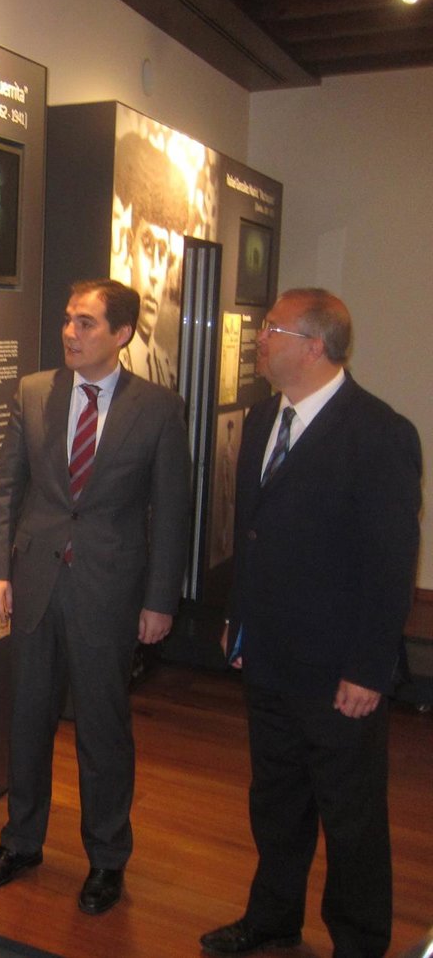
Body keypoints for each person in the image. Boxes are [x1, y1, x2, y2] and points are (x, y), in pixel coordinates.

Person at [200, 289, 422, 958]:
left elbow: (391, 564)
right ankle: (272, 918)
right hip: (268, 655)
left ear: (314, 346)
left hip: (337, 671)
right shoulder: (263, 417)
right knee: (275, 801)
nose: (259, 337)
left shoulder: (379, 432)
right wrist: (238, 618)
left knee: (350, 816)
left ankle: (358, 942)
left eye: (273, 328)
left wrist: (368, 669)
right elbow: (254, 532)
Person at [0, 279, 191, 915]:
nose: (71, 332)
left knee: (102, 728)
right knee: (27, 720)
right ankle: (21, 842)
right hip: (36, 582)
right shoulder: (34, 391)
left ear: (122, 334)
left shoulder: (158, 409)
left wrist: (160, 600)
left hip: (109, 589)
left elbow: (171, 511)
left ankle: (107, 859)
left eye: (87, 323)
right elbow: (6, 488)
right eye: (69, 319)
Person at [113, 133, 188, 390]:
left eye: (163, 253)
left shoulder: (165, 369)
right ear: (130, 246)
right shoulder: (112, 363)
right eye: (147, 246)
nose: (156, 273)